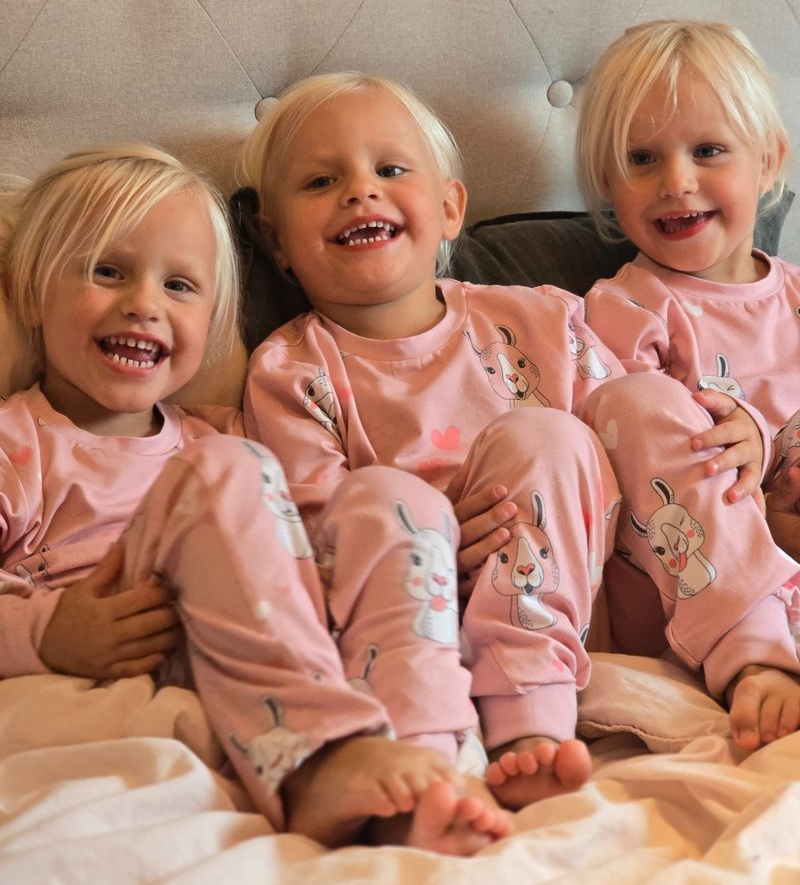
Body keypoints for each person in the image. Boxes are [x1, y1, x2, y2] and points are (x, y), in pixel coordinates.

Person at [239, 71, 798, 807]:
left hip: (627, 587)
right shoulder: (292, 371)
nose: (360, 191)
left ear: (449, 209)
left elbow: (649, 439)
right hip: (459, 612)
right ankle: (527, 719)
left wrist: (745, 432)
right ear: (276, 241)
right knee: (514, 447)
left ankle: (754, 649)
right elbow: (310, 535)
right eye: (320, 180)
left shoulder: (540, 316)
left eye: (391, 169)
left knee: (636, 399)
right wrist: (433, 535)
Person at [0, 143, 511, 854]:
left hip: (270, 642)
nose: (144, 304)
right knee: (228, 468)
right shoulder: (15, 444)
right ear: (29, 292)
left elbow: (302, 549)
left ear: (212, 324)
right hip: (136, 643)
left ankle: (428, 757)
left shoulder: (223, 431)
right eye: (107, 272)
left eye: (180, 287)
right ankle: (315, 760)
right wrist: (45, 632)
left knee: (391, 497)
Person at [575, 19, 800, 564]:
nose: (676, 181)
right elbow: (639, 465)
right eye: (642, 159)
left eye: (707, 150)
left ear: (768, 163)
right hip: (713, 564)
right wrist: (765, 499)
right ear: (608, 181)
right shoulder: (625, 310)